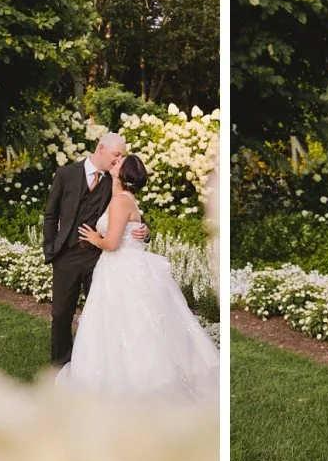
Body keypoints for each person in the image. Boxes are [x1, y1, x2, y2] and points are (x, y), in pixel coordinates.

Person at [55, 155, 218, 405]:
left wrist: (95, 238)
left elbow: (112, 243)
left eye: (120, 162)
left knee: (128, 325)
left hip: (121, 270)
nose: (116, 162)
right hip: (122, 267)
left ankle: (130, 384)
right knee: (125, 324)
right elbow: (130, 228)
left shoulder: (120, 200)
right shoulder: (125, 198)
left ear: (122, 175)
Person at [43, 133, 148, 367]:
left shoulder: (116, 179)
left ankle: (98, 365)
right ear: (101, 148)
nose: (119, 160)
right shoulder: (66, 174)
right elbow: (50, 215)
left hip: (99, 258)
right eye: (116, 154)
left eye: (122, 156)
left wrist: (145, 231)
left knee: (100, 315)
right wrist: (50, 248)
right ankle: (61, 363)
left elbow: (133, 214)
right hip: (67, 255)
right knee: (61, 314)